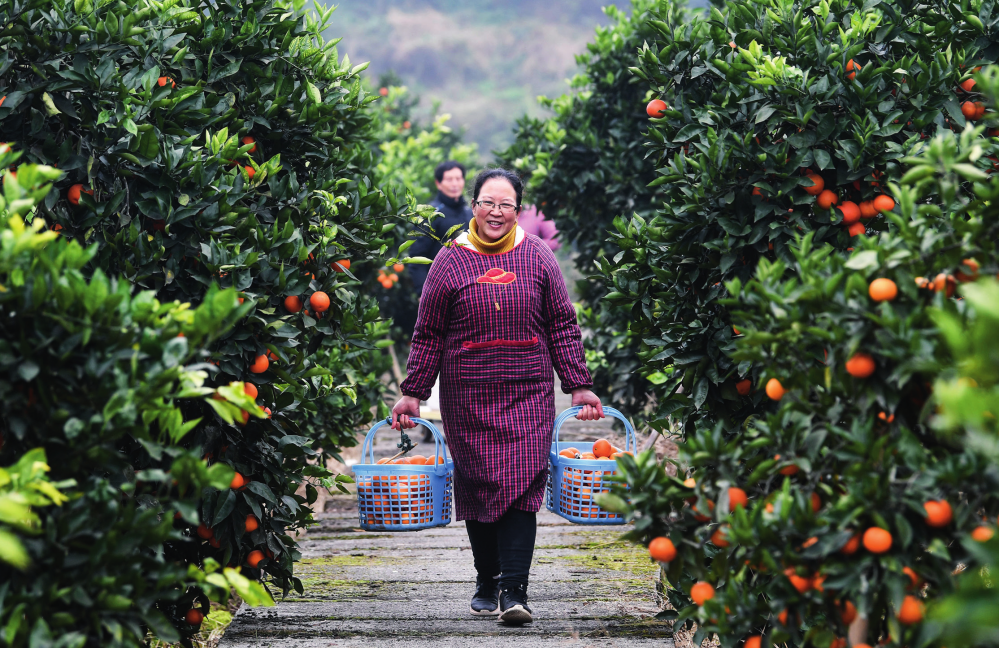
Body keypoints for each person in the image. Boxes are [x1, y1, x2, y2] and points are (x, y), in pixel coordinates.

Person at [390, 168, 604, 626]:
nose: (496, 212)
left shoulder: (539, 257)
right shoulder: (450, 259)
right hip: (467, 394)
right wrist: (414, 392)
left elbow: (561, 324)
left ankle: (514, 590)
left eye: (506, 204)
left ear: (518, 210)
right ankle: (486, 578)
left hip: (527, 392)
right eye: (488, 202)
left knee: (523, 484)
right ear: (474, 205)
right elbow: (428, 333)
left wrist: (577, 383)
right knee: (481, 482)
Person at [408, 161, 474, 293]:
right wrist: (422, 292)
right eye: (449, 179)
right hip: (440, 288)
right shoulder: (430, 214)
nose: (455, 183)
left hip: (469, 286)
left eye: (458, 178)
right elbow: (417, 256)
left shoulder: (470, 212)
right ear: (438, 184)